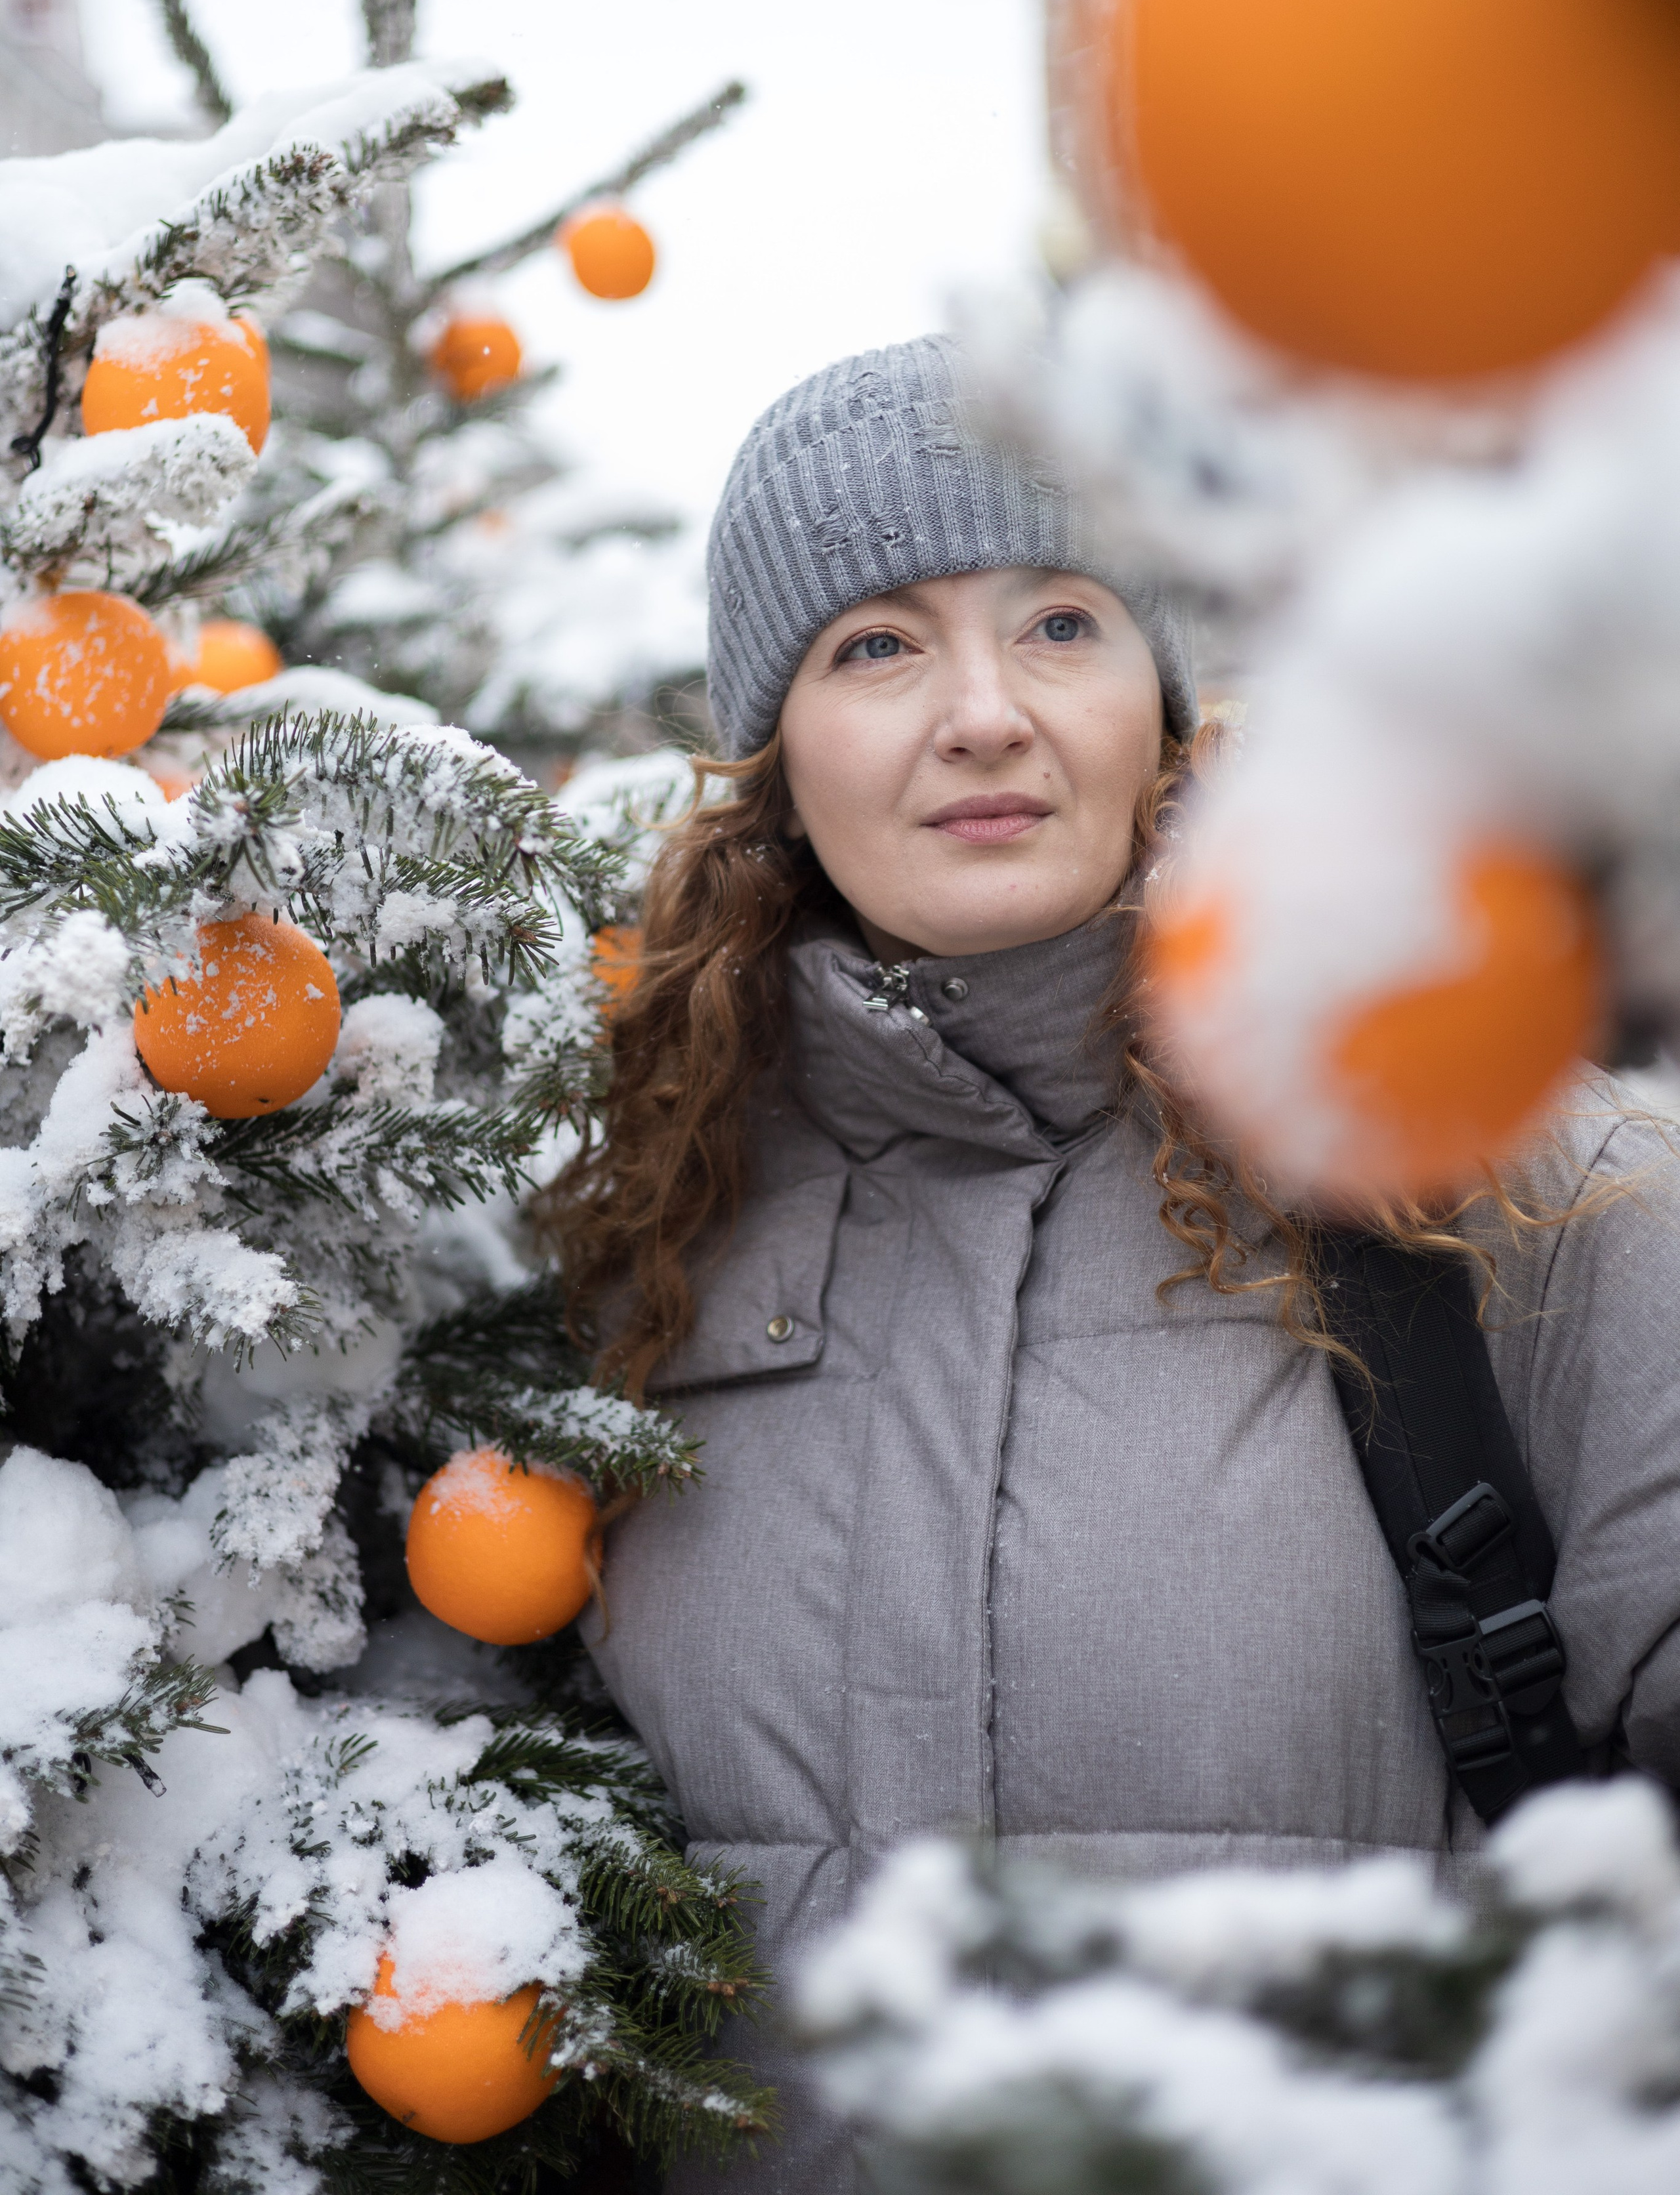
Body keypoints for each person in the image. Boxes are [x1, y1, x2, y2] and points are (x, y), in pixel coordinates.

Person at [549, 335, 1680, 2192]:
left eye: (1059, 624)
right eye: (877, 646)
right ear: (776, 750)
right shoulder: (624, 1239)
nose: (983, 712)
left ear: (1163, 694)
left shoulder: (1488, 1167)